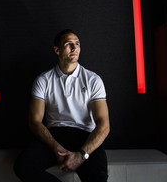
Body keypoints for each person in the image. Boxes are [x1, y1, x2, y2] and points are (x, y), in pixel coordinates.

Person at [13, 29, 110, 182]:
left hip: (85, 136)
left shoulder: (93, 80)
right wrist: (55, 147)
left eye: (77, 44)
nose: (75, 48)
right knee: (23, 166)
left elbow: (104, 124)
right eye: (69, 44)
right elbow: (35, 121)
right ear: (57, 50)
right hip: (55, 135)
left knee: (99, 177)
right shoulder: (43, 80)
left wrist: (81, 155)